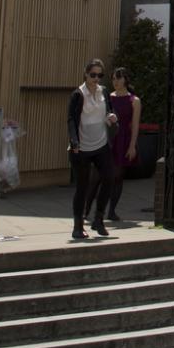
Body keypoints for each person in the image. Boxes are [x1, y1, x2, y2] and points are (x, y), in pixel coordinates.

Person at [67, 57, 118, 240]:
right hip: (82, 147)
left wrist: (112, 117)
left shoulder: (104, 91)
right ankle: (78, 226)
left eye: (100, 75)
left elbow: (109, 111)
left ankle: (98, 219)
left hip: (101, 143)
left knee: (109, 177)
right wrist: (74, 141)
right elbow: (71, 119)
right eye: (93, 75)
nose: (96, 78)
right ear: (86, 74)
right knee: (82, 186)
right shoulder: (78, 95)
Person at [104, 67, 140, 225]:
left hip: (123, 139)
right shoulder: (108, 97)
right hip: (108, 138)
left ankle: (111, 211)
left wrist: (132, 146)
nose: (116, 82)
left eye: (118, 78)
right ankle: (90, 208)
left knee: (118, 176)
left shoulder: (134, 100)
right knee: (103, 175)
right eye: (113, 79)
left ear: (126, 79)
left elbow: (135, 126)